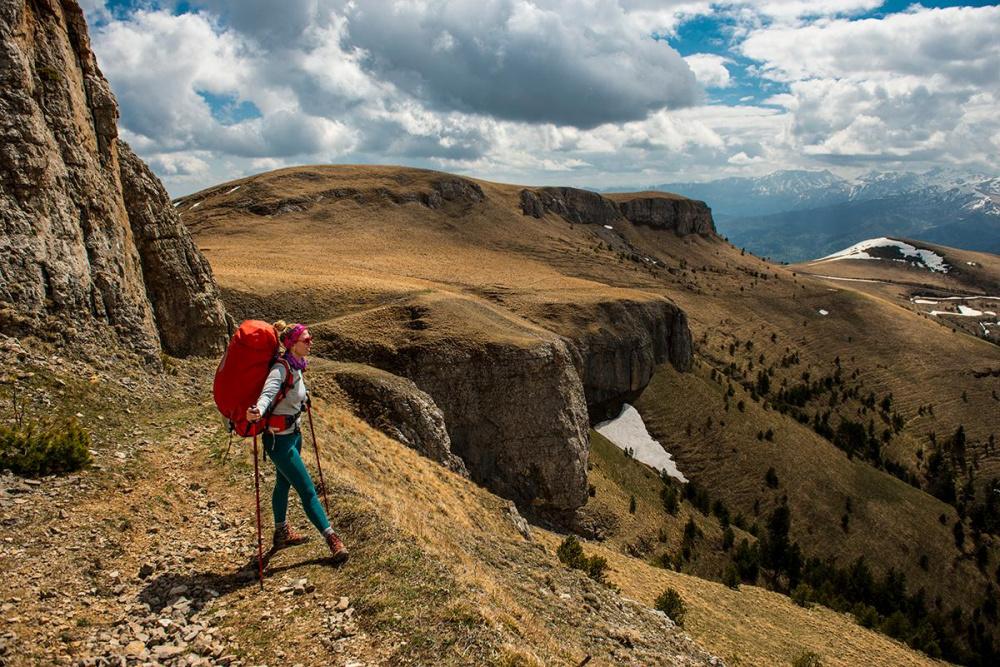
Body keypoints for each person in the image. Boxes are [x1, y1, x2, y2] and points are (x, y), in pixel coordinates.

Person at [246, 320, 349, 564]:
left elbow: (292, 393)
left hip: (293, 434)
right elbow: (268, 394)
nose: (311, 342)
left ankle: (281, 532)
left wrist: (304, 401)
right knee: (307, 490)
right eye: (306, 340)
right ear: (292, 344)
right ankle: (332, 538)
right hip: (278, 441)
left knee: (283, 483)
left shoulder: (297, 366)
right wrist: (258, 411)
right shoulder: (281, 369)